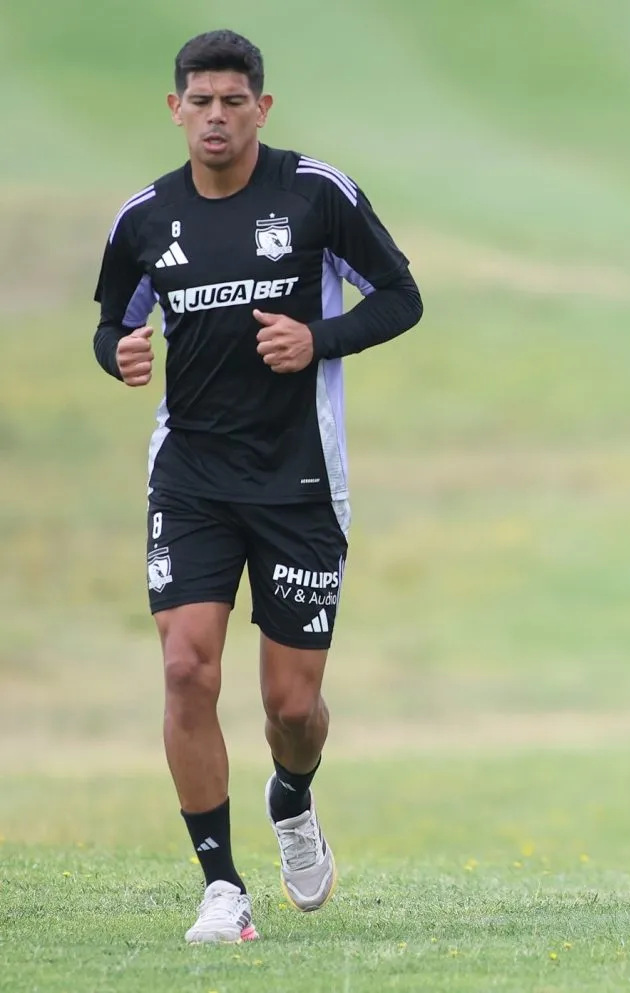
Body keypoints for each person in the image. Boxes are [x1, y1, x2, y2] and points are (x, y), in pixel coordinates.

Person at [92, 29, 423, 943]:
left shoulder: (315, 194)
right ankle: (222, 887)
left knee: (291, 707)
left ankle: (293, 796)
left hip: (300, 483)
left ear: (260, 108)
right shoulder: (145, 218)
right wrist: (116, 352)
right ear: (176, 109)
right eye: (199, 101)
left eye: (233, 101)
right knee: (186, 666)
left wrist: (318, 338)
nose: (215, 117)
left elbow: (401, 297)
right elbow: (113, 320)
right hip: (192, 477)